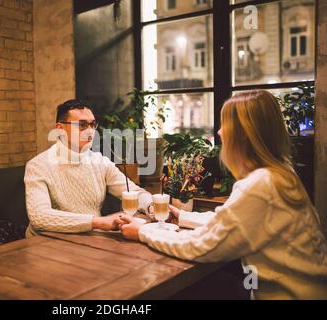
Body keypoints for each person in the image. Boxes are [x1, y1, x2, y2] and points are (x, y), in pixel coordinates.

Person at [120, 90, 327, 300]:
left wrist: (144, 231)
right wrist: (181, 217)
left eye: (224, 124)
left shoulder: (261, 184)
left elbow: (200, 247)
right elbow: (232, 221)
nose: (219, 132)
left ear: (243, 133)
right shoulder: (280, 173)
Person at [24, 99, 153, 237]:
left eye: (92, 124)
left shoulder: (100, 162)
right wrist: (98, 222)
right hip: (46, 242)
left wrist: (151, 205)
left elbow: (135, 192)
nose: (90, 131)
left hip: (90, 239)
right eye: (82, 125)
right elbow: (39, 216)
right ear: (60, 129)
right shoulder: (38, 165)